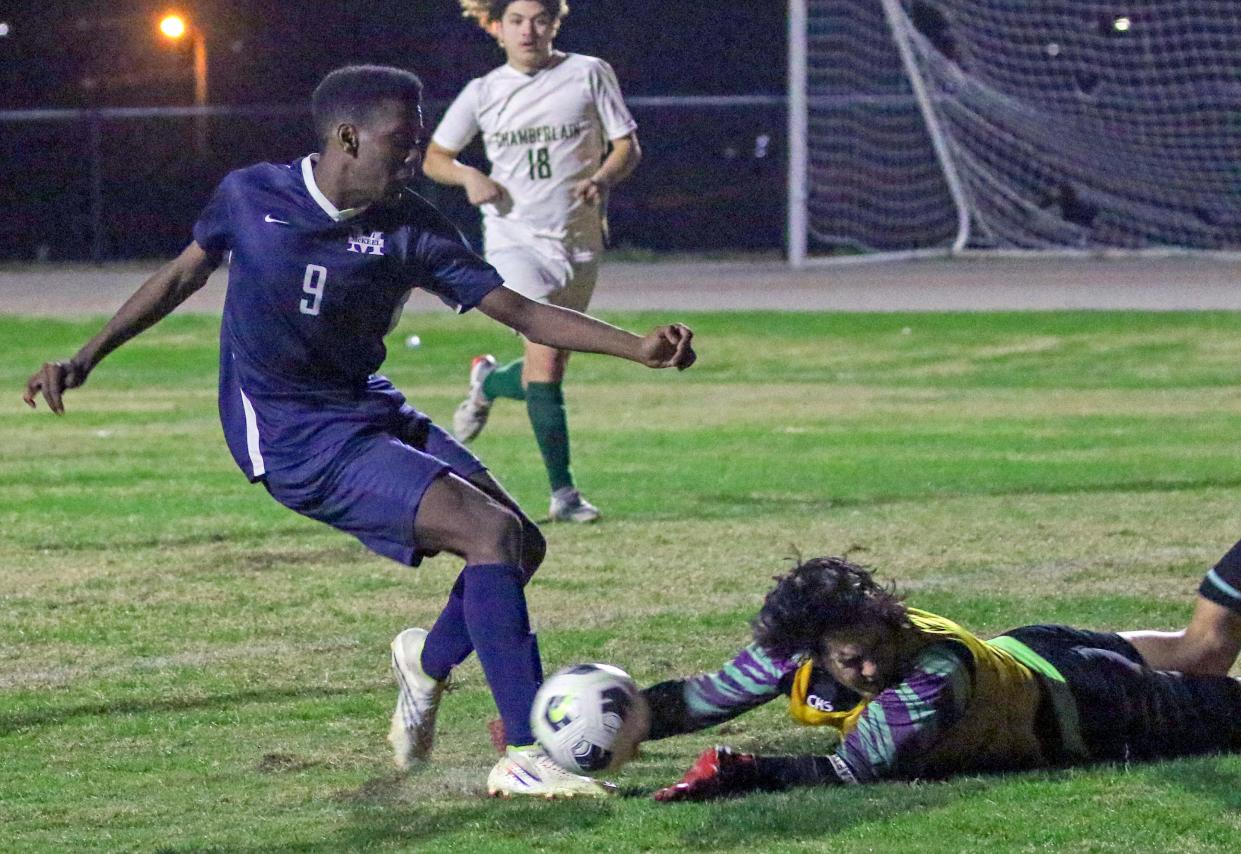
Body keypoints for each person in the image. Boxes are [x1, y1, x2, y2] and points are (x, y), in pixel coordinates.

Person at [21, 64, 694, 799]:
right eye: (401, 142)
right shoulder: (252, 196)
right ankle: (528, 752)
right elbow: (183, 275)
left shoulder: (410, 227)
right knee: (489, 535)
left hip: (362, 402)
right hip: (289, 434)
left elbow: (523, 314)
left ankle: (425, 666)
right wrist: (84, 356)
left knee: (520, 543)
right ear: (346, 137)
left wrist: (636, 346)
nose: (413, 158)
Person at [636, 553, 1241, 800]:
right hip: (1032, 650)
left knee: (1225, 701)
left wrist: (750, 771)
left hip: (1093, 704)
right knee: (1198, 652)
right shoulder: (804, 643)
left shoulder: (934, 669)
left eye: (876, 651)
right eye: (852, 662)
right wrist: (627, 718)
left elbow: (857, 769)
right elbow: (700, 699)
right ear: (813, 650)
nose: (870, 670)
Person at [423, 0, 643, 524]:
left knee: (552, 362)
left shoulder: (588, 73)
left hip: (578, 242)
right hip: (512, 240)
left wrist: (603, 178)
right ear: (496, 28)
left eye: (540, 19)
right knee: (545, 356)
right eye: (517, 21)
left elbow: (626, 147)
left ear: (555, 24)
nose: (529, 30)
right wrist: (470, 177)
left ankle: (489, 381)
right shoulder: (483, 91)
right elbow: (436, 158)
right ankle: (564, 493)